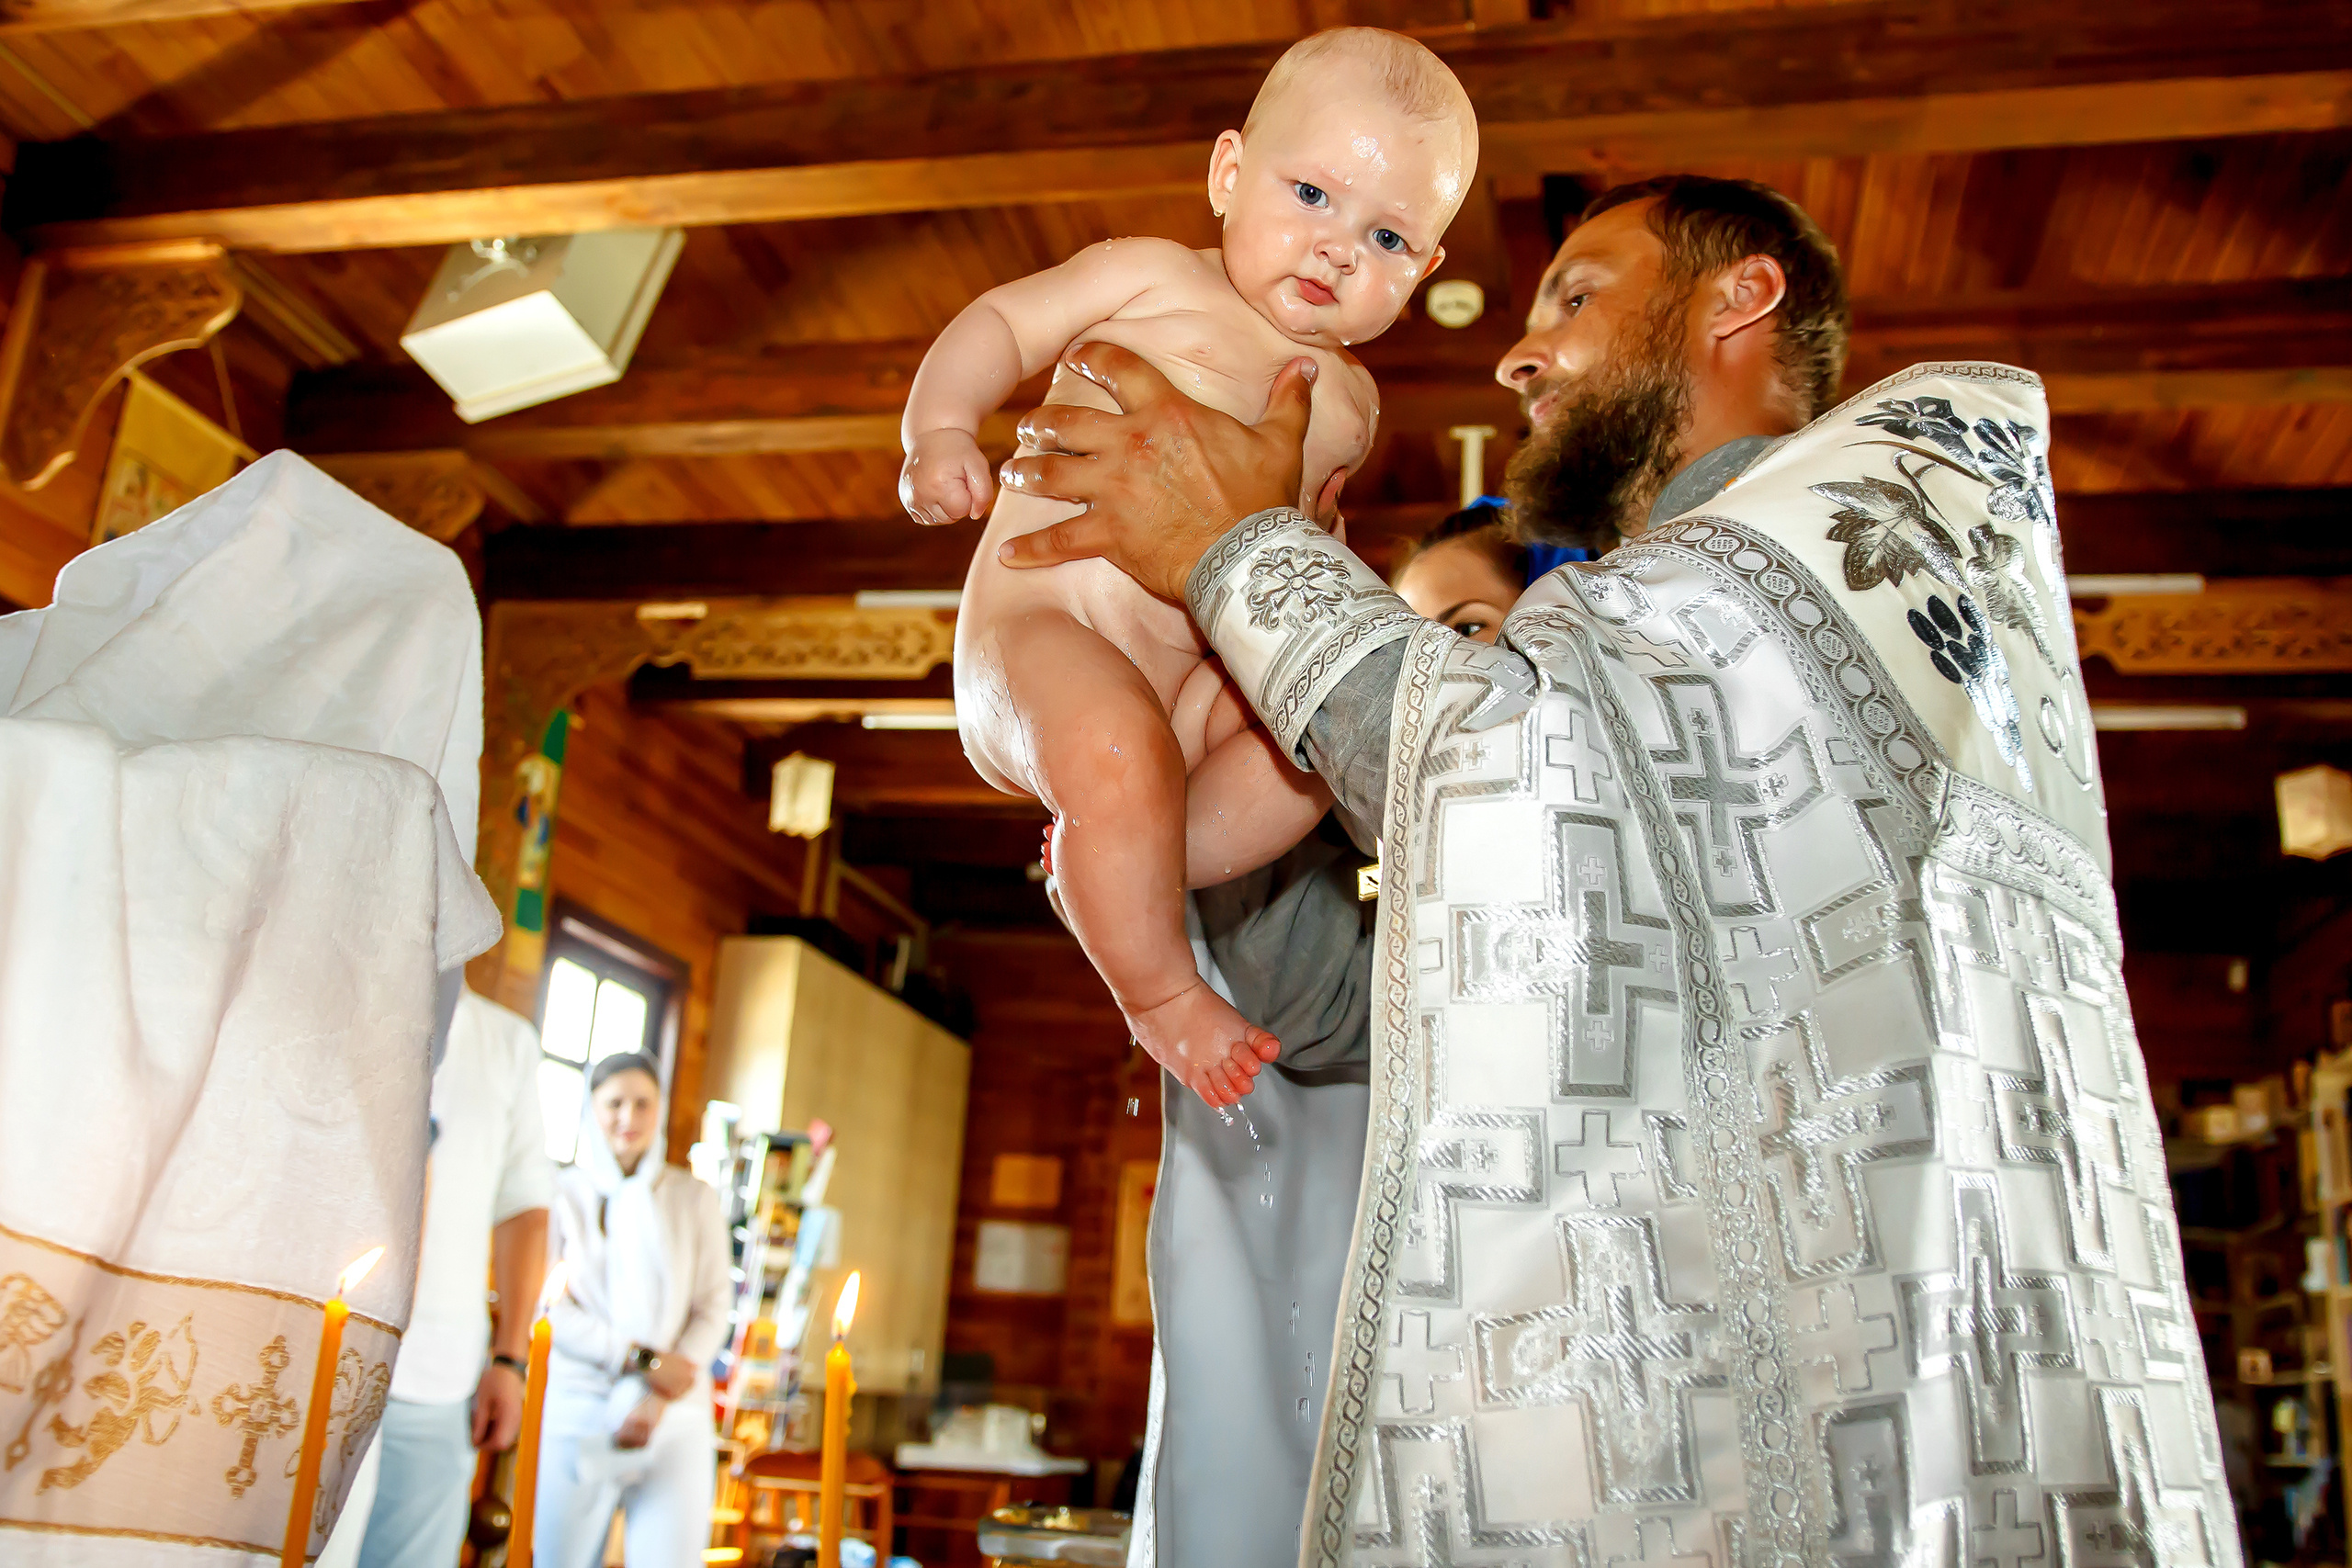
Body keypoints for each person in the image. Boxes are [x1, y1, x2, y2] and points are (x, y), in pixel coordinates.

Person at [992, 175, 2238, 1566]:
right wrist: (1160, 819)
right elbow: (1402, 1003)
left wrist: (1238, 551)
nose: (1520, 354)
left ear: (1741, 298)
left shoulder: (1859, 543)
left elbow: (1515, 775)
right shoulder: (1659, 628)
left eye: (1576, 297)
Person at [899, 27, 1478, 1110]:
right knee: (1116, 749)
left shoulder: (1351, 402)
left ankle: (1123, 864)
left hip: (1204, 675)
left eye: (1389, 235)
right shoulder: (1148, 276)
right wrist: (937, 430)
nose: (1338, 248)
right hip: (1047, 632)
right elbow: (1000, 320)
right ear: (1227, 173)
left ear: (1427, 269)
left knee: (1304, 764)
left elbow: (1312, 545)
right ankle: (1159, 991)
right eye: (1310, 192)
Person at [350, 988, 553, 1568]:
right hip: (322, 1352)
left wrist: (511, 1360)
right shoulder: (338, 991)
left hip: (442, 1368)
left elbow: (524, 1208)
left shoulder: (505, 1043)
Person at [536, 1052, 731, 1568]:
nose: (629, 1118)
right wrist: (642, 1360)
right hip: (582, 1405)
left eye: (642, 1104)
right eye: (614, 1103)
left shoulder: (693, 1198)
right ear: (591, 1109)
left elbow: (714, 1305)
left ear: (660, 1110)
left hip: (676, 1413)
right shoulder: (563, 1194)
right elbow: (554, 1308)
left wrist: (660, 1392)